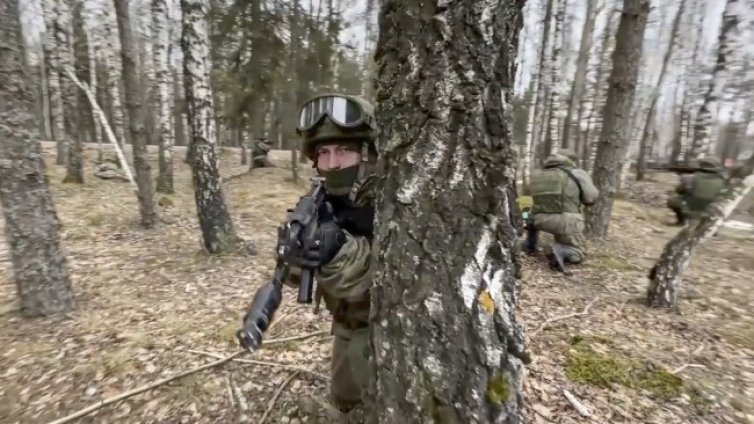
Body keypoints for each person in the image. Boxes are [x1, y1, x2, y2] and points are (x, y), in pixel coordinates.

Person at [283, 94, 379, 422]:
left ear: (367, 153)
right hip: (346, 325)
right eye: (324, 152)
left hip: (384, 339)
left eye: (344, 150)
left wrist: (340, 251)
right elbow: (300, 276)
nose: (333, 163)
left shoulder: (395, 198)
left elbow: (403, 285)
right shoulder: (326, 199)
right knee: (343, 400)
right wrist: (297, 255)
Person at [528, 149, 598, 272]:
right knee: (578, 253)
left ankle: (530, 245)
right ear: (571, 160)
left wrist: (527, 220)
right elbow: (590, 198)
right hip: (565, 221)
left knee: (530, 214)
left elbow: (526, 200)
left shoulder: (537, 174)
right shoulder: (577, 173)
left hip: (537, 220)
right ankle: (561, 251)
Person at [666, 157, 726, 226]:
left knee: (673, 199)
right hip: (710, 207)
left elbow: (679, 191)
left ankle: (681, 221)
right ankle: (705, 224)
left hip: (692, 205)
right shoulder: (722, 180)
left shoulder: (690, 177)